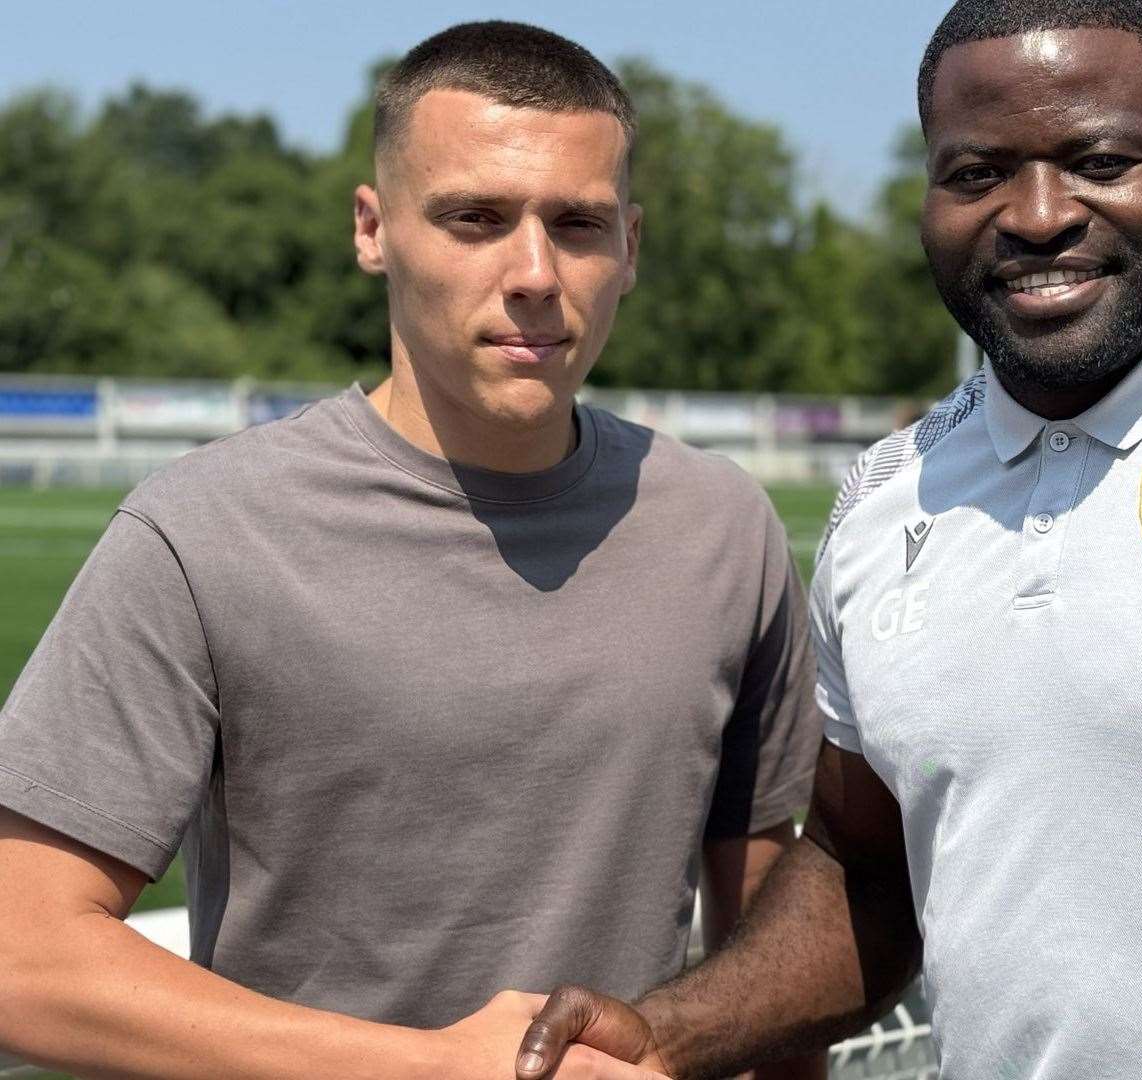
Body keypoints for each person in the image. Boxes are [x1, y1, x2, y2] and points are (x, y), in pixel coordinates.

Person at [514, 1, 1142, 1076]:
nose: (1035, 215)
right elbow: (863, 870)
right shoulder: (885, 500)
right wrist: (665, 1036)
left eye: (1097, 158)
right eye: (976, 173)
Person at [0, 20, 822, 1080]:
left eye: (576, 224)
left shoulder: (722, 528)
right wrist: (430, 1068)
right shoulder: (201, 532)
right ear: (372, 227)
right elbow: (23, 953)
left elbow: (765, 970)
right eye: (475, 217)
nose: (534, 271)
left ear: (631, 245)